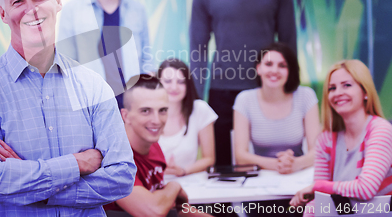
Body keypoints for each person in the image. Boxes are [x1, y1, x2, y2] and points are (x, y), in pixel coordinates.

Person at [0, 0, 136, 216]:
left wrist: (34, 189)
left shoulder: (94, 87)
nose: (31, 9)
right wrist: (77, 164)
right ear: (3, 12)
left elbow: (122, 178)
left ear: (58, 0)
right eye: (18, 1)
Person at [189, 0, 297, 166]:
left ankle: (266, 206)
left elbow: (288, 44)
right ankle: (222, 208)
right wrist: (194, 100)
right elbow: (198, 49)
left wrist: (289, 87)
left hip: (266, 88)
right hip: (221, 90)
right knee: (223, 164)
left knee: (268, 160)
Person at [290, 60, 392, 215]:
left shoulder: (380, 130)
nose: (337, 93)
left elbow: (366, 189)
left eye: (347, 85)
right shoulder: (326, 139)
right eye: (332, 88)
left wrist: (319, 186)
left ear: (365, 92)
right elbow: (320, 196)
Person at [58, 0, 153, 109]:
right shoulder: (73, 10)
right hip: (92, 100)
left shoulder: (137, 10)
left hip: (133, 102)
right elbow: (66, 61)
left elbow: (147, 57)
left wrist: (148, 93)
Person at [104, 74, 211, 217]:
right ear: (125, 116)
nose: (156, 120)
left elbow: (173, 209)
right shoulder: (113, 158)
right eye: (145, 111)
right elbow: (154, 211)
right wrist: (174, 187)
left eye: (162, 110)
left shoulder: (153, 145)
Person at [233, 43, 320, 173]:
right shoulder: (244, 99)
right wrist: (278, 164)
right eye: (268, 64)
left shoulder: (306, 96)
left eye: (282, 65)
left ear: (290, 71)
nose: (274, 70)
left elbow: (318, 152)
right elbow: (240, 157)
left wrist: (295, 164)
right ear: (258, 68)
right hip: (261, 177)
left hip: (298, 174)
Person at [157, 58, 217, 177]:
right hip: (154, 185)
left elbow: (209, 159)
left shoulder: (200, 109)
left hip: (190, 182)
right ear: (158, 83)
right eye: (168, 81)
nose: (174, 87)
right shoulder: (146, 113)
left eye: (181, 82)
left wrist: (183, 170)